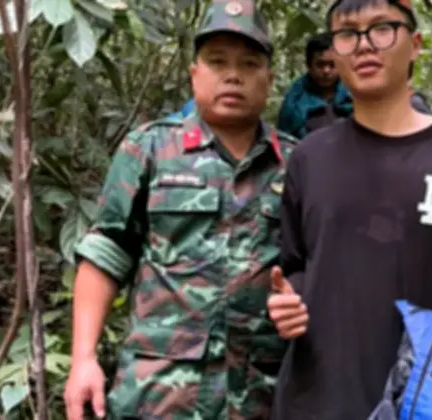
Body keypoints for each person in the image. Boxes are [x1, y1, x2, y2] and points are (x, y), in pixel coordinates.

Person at [265, 0, 432, 418]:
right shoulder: (309, 157)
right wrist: (288, 303)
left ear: (415, 43)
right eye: (348, 34)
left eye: (381, 29)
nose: (364, 45)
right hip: (319, 398)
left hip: (428, 400)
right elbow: (296, 265)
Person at [62, 1, 296, 418]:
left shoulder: (297, 163)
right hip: (160, 392)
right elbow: (106, 254)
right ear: (194, 73)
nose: (233, 75)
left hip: (260, 393)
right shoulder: (150, 148)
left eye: (249, 64)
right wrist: (83, 359)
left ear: (269, 79)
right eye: (217, 62)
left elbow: (316, 267)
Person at [276, 33, 353, 138]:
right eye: (320, 65)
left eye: (332, 65)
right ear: (309, 65)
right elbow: (284, 138)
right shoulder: (294, 101)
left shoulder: (355, 92)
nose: (326, 71)